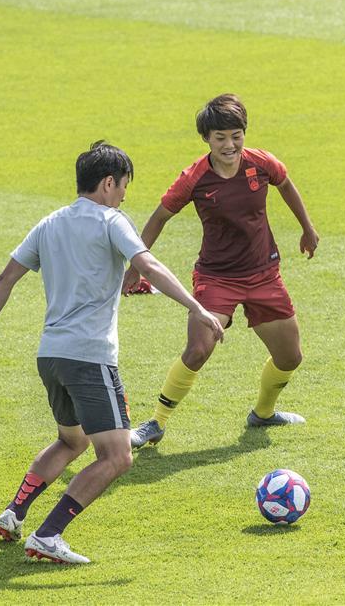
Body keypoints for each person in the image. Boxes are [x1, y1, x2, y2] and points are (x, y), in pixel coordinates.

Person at [0, 142, 223, 564]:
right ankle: (48, 535)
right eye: (122, 188)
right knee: (118, 456)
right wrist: (197, 307)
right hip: (89, 357)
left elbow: (5, 278)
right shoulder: (111, 220)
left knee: (71, 440)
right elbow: (148, 265)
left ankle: (14, 513)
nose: (123, 197)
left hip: (51, 356)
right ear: (108, 182)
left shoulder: (49, 223)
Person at [124, 93, 319, 448]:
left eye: (236, 135)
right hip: (217, 278)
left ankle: (262, 414)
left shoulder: (262, 163)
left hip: (264, 274)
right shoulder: (194, 179)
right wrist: (136, 265)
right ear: (207, 139)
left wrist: (307, 228)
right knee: (199, 348)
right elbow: (159, 217)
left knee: (290, 357)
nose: (230, 144)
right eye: (220, 138)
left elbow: (286, 185)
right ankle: (156, 422)